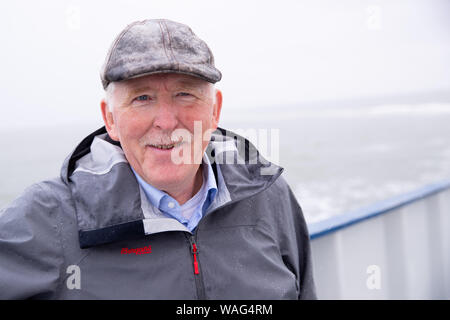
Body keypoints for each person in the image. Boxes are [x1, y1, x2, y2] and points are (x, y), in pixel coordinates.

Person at [0, 19, 316, 299]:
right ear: (110, 118)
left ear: (214, 110)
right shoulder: (46, 218)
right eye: (142, 98)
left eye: (185, 94)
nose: (166, 121)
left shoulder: (269, 195)